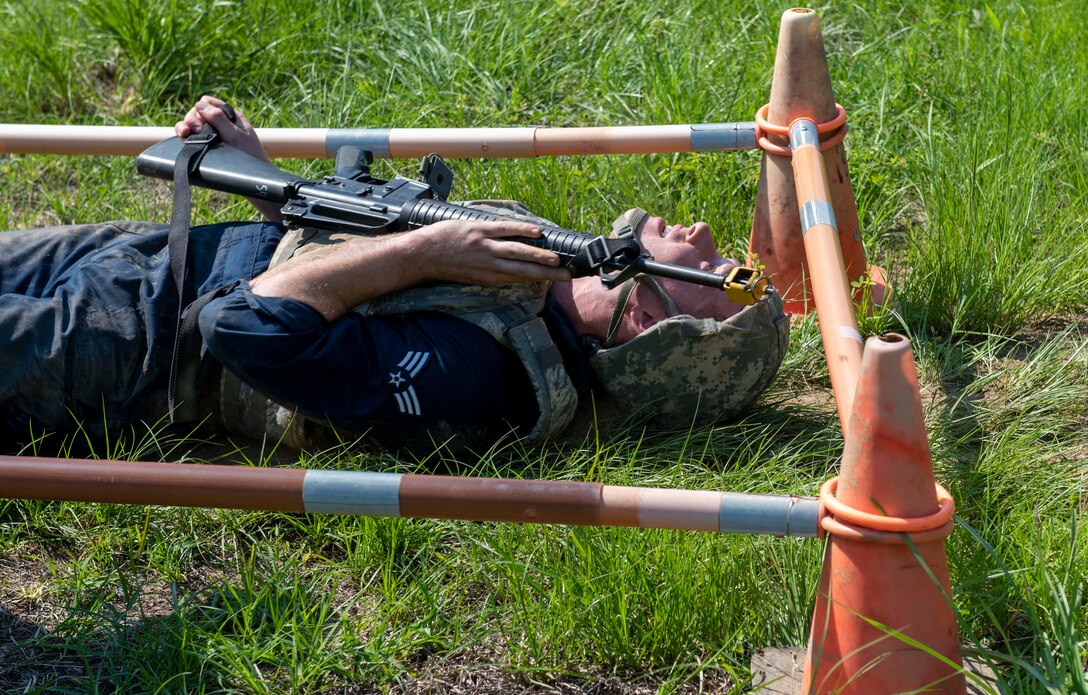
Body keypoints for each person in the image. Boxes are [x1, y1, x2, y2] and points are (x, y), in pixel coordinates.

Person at [0, 97, 789, 453]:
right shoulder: (533, 265)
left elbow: (242, 327)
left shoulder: (487, 373)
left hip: (135, 345)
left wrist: (425, 254)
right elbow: (355, 239)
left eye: (717, 269)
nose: (705, 233)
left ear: (652, 326)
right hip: (149, 253)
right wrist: (270, 181)